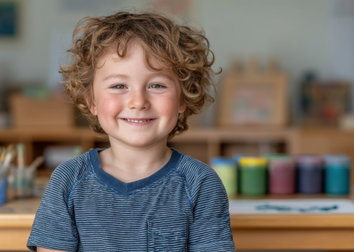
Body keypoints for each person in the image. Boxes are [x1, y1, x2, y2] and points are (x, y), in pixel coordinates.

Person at [27, 11, 234, 252]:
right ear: (92, 101)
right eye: (119, 86)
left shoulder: (201, 184)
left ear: (183, 97)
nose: (138, 101)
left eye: (156, 85)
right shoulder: (68, 180)